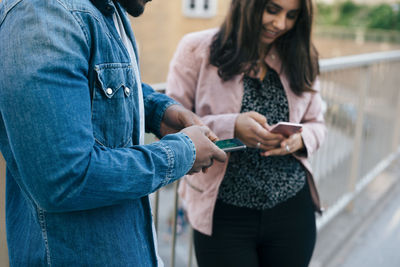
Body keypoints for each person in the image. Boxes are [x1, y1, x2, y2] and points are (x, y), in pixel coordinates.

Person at [0, 0, 227, 265]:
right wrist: (182, 153)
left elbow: (101, 81)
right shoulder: (42, 15)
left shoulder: (107, 8)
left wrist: (158, 111)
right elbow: (65, 179)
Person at [166, 0, 326, 266]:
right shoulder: (196, 49)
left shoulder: (302, 56)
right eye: (272, 10)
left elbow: (317, 124)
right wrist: (232, 126)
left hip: (292, 211)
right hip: (223, 215)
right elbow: (170, 122)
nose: (280, 23)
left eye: (292, 15)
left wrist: (299, 140)